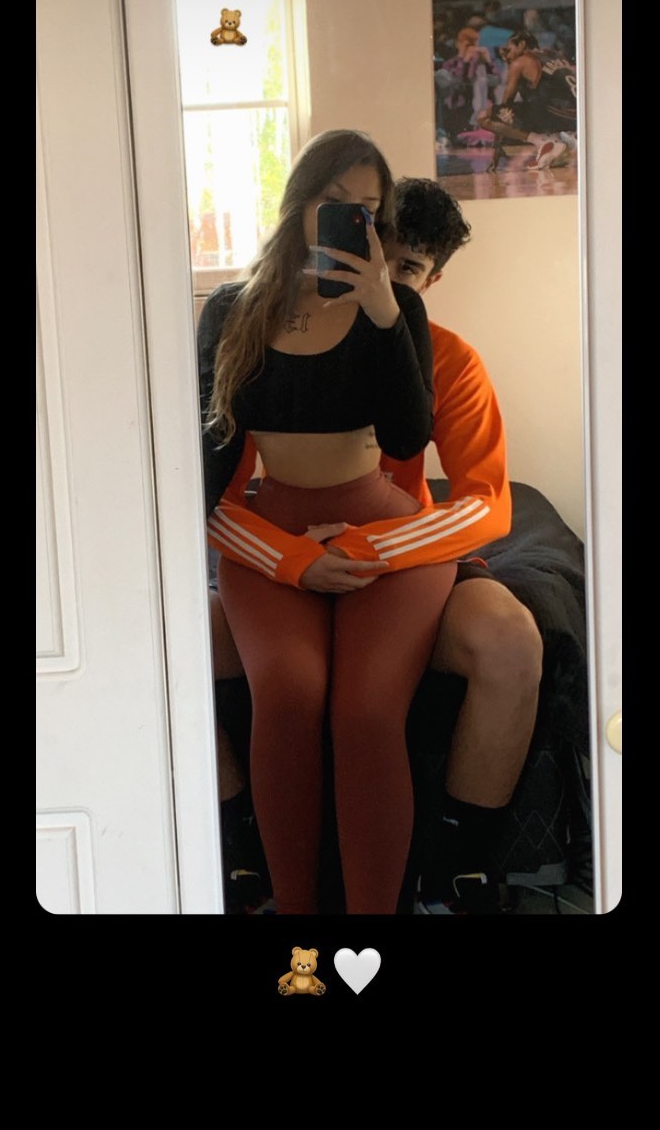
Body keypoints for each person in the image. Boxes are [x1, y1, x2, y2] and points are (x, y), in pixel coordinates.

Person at [211, 177, 542, 915]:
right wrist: (289, 556)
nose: (380, 282)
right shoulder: (276, 341)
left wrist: (374, 546)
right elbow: (211, 493)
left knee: (511, 641)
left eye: (407, 270)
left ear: (432, 281)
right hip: (287, 555)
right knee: (165, 647)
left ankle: (459, 868)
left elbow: (488, 502)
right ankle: (239, 843)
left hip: (405, 556)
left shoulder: (449, 359)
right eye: (370, 256)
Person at [198, 130, 460, 916]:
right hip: (277, 535)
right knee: (287, 693)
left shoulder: (399, 308)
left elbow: (409, 441)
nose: (352, 220)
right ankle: (298, 919)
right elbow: (206, 473)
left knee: (368, 712)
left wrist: (383, 312)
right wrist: (289, 559)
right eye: (335, 202)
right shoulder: (232, 310)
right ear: (300, 202)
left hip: (383, 534)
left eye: (368, 210)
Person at [478, 29, 577, 170]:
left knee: (484, 116)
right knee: (536, 101)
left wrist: (496, 147)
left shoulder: (521, 62)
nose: (508, 55)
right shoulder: (556, 55)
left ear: (522, 45)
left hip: (555, 114)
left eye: (509, 50)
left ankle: (543, 141)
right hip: (575, 118)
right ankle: (560, 141)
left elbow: (505, 106)